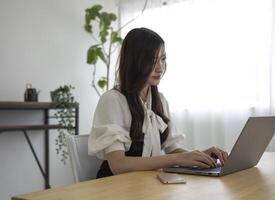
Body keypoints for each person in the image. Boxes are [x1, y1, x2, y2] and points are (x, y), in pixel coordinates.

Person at [88, 27, 228, 178]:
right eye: (152, 60)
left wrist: (201, 156)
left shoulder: (159, 100)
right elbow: (118, 165)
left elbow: (173, 150)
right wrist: (177, 159)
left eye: (163, 59)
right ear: (134, 62)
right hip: (114, 188)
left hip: (146, 185)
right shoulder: (113, 100)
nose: (160, 67)